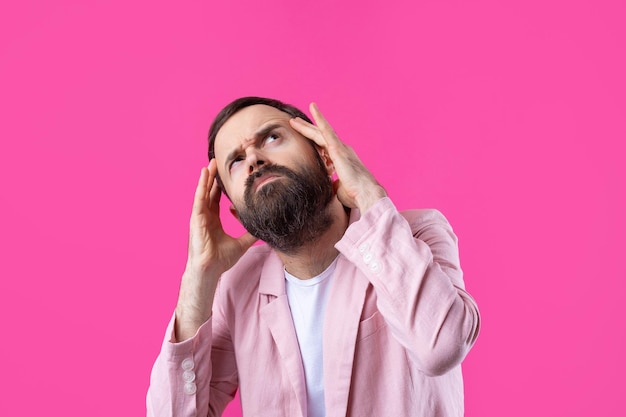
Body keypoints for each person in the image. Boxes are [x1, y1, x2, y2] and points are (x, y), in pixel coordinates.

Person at [147, 97, 480, 417]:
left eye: (272, 137)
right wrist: (198, 276)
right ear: (235, 211)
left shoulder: (416, 233)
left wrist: (368, 193)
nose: (254, 159)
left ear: (326, 156)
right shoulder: (236, 287)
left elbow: (441, 347)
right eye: (236, 160)